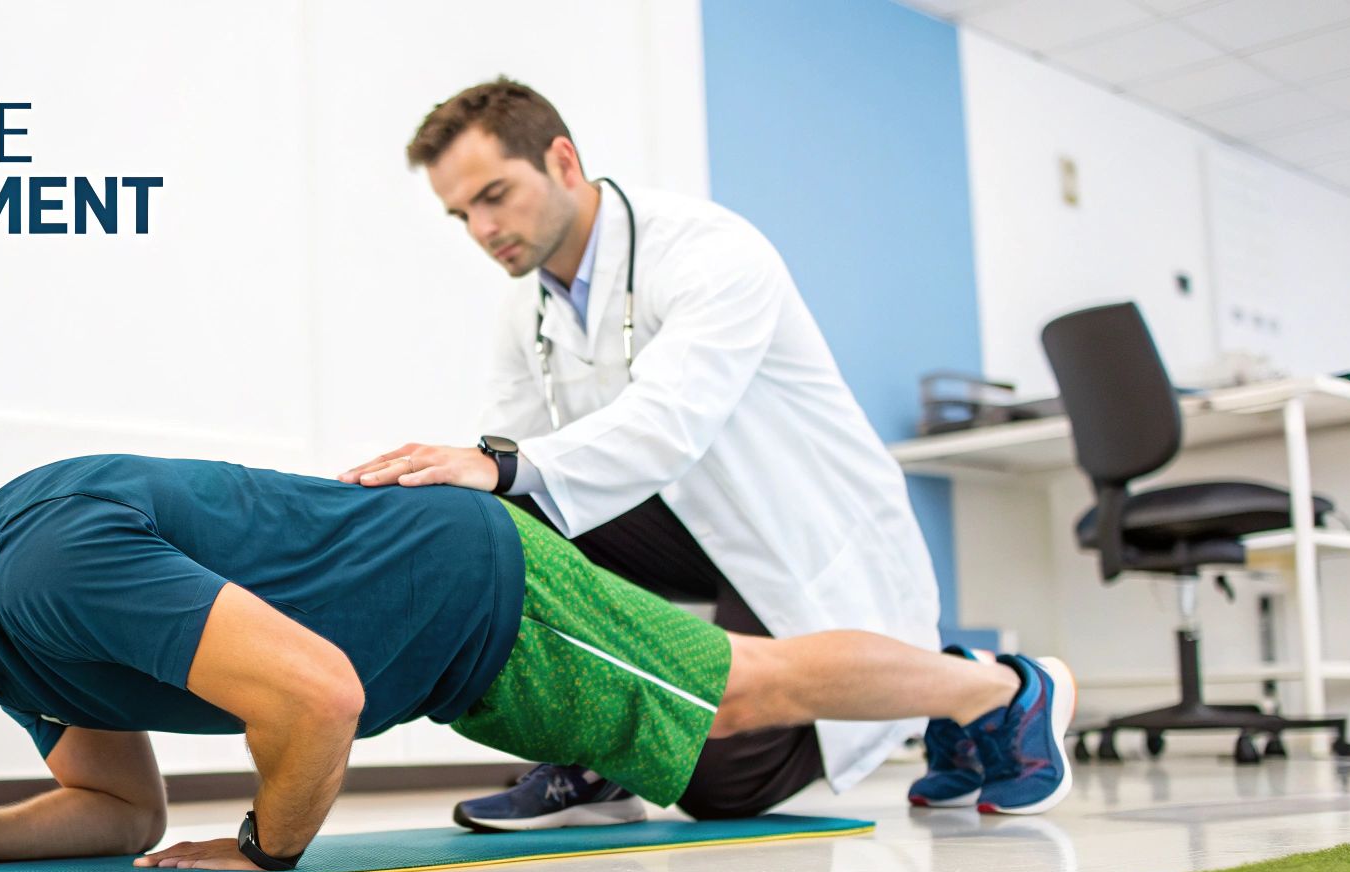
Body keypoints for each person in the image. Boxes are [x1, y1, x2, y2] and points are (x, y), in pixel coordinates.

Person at [0, 455, 1075, 872]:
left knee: (743, 690)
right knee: (728, 719)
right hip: (447, 643)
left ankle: (1004, 696)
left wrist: (264, 845)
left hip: (485, 593)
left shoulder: (48, 565)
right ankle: (969, 696)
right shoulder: (4, 641)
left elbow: (316, 697)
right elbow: (119, 816)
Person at [338, 78, 950, 830]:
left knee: (714, 782)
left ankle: (981, 685)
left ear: (562, 160)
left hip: (803, 534)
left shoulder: (712, 251)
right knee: (491, 515)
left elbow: (668, 421)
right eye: (462, 213)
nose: (481, 228)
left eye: (495, 194)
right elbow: (515, 456)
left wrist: (496, 463)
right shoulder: (524, 308)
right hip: (693, 531)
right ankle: (587, 749)